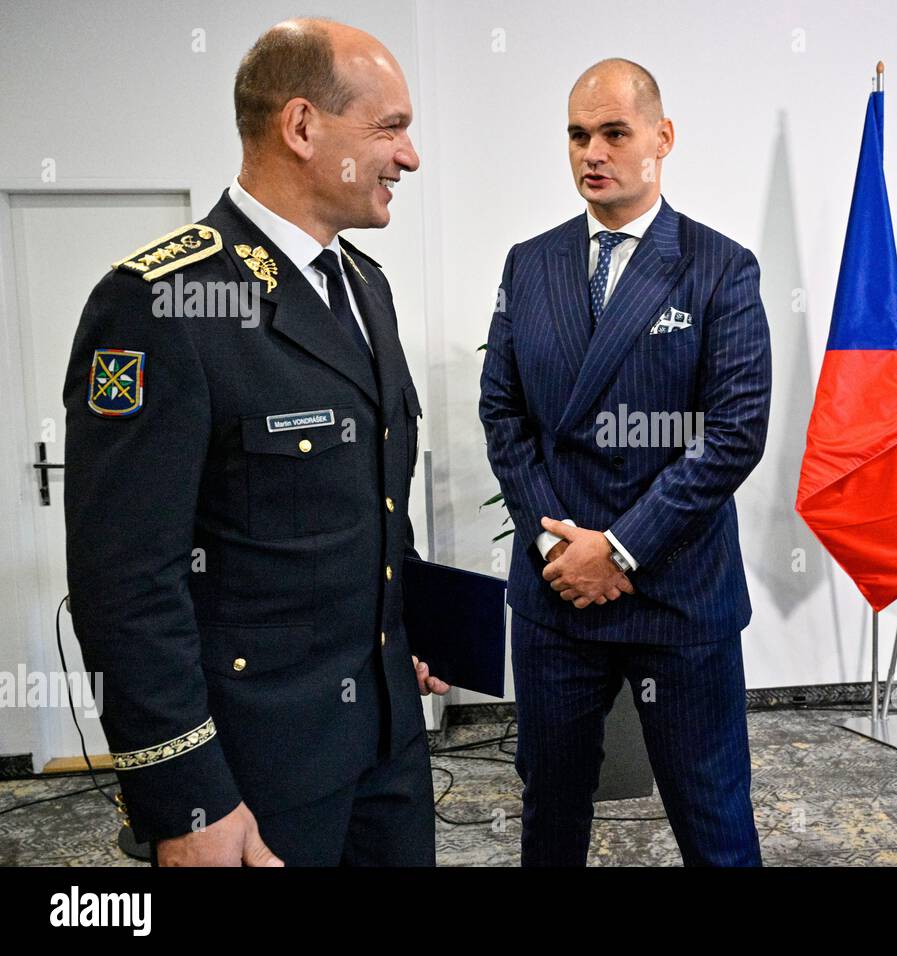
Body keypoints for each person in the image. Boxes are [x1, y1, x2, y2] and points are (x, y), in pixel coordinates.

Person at [63, 17, 446, 867]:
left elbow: (375, 498)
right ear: (303, 127)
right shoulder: (162, 302)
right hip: (254, 782)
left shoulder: (363, 288)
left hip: (386, 752)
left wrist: (405, 628)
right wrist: (186, 797)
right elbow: (124, 582)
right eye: (389, 128)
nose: (409, 156)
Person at [479, 58, 771, 866]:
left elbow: (734, 433)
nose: (591, 152)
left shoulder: (720, 267)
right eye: (577, 135)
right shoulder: (528, 264)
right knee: (552, 813)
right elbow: (502, 414)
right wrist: (556, 548)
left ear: (662, 138)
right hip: (556, 594)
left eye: (613, 132)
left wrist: (618, 548)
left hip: (676, 592)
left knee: (714, 820)